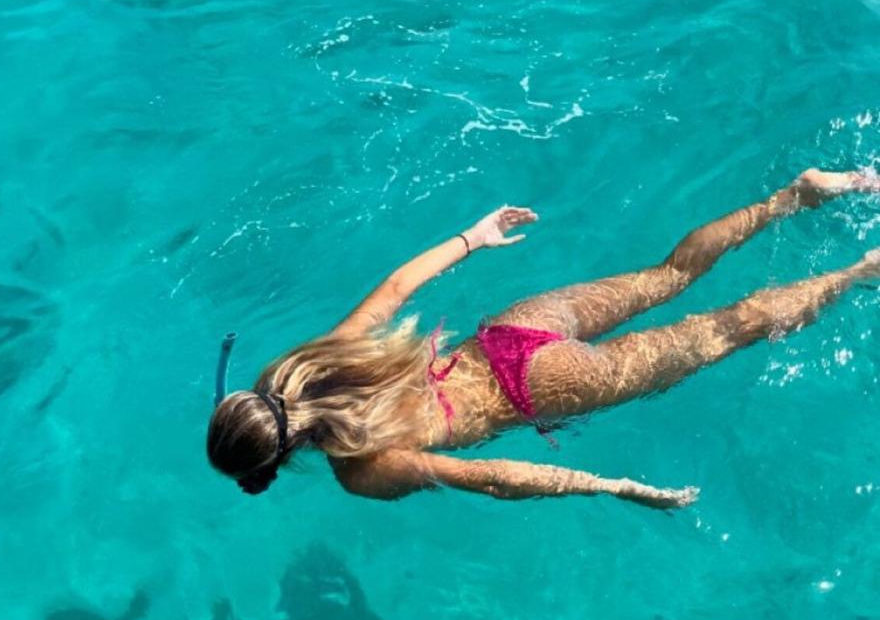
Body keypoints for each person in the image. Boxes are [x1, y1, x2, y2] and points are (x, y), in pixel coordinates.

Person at [206, 170, 878, 509]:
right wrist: (474, 237)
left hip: (541, 387)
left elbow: (494, 478)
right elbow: (396, 288)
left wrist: (612, 486)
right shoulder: (317, 359)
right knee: (668, 276)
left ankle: (861, 269)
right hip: (512, 331)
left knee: (724, 331)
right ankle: (793, 196)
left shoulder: (361, 469)